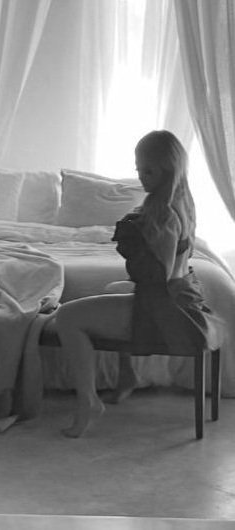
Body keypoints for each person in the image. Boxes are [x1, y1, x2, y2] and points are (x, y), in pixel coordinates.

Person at [54, 129, 220, 438]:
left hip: (165, 308)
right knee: (110, 290)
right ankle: (126, 376)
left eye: (149, 171)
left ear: (168, 170)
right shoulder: (183, 203)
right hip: (181, 294)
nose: (142, 178)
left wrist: (138, 246)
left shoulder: (163, 213)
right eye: (138, 170)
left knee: (67, 317)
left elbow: (160, 276)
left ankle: (87, 402)